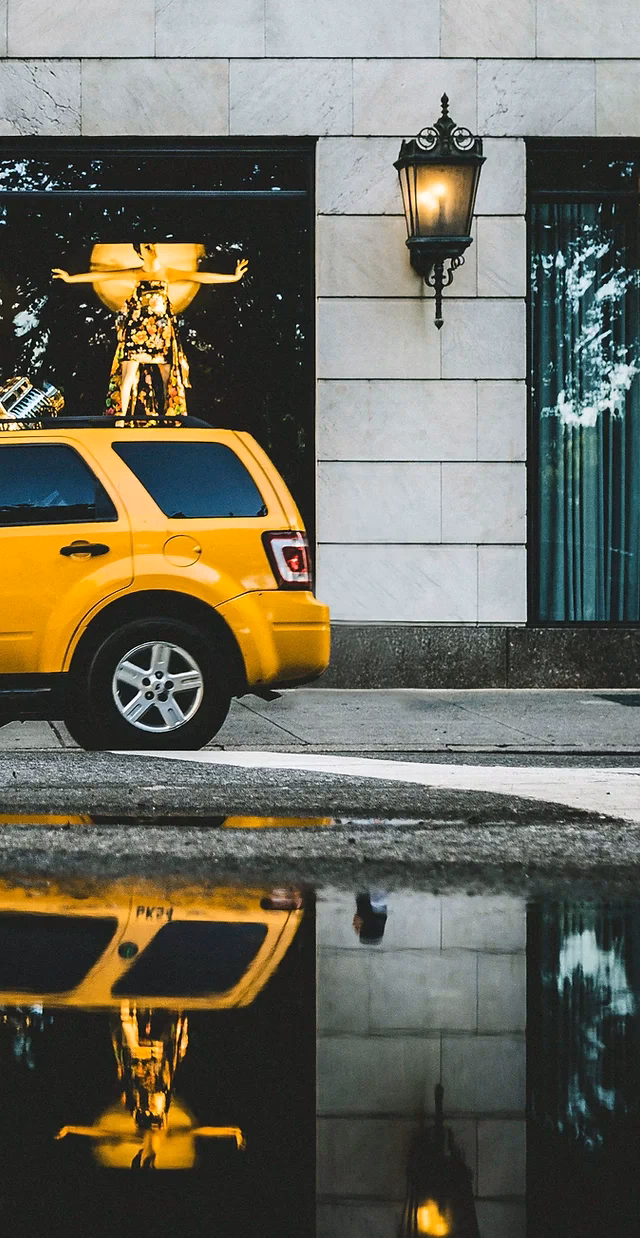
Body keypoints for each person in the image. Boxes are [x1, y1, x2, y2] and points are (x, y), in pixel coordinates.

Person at [52, 242, 248, 418]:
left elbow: (201, 277)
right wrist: (70, 279)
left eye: (153, 246)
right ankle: (120, 416)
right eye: (146, 247)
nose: (152, 250)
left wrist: (233, 277)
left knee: (167, 374)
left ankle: (171, 416)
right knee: (128, 374)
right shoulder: (137, 273)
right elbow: (102, 275)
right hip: (137, 330)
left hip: (160, 333)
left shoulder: (168, 272)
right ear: (140, 253)